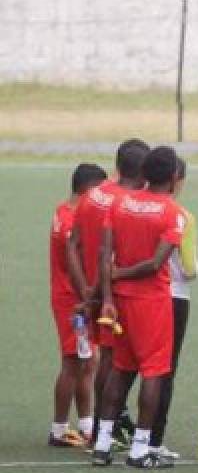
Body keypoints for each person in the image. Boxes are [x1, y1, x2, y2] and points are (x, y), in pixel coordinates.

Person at [91, 146, 184, 469]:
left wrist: (107, 295)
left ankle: (102, 443)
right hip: (151, 302)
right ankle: (140, 448)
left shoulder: (120, 202)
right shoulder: (173, 213)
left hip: (119, 300)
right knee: (154, 372)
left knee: (120, 368)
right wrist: (122, 274)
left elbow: (105, 253)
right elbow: (155, 263)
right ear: (174, 176)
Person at [69, 138, 149, 448]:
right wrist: (102, 295)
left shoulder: (93, 195)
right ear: (144, 171)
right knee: (117, 363)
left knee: (107, 358)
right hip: (118, 296)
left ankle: (107, 425)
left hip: (94, 292)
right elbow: (112, 255)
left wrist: (84, 290)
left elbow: (72, 245)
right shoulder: (128, 203)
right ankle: (107, 428)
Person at [48, 163, 108, 448]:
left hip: (72, 297)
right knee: (73, 362)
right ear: (89, 190)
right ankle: (59, 429)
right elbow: (77, 264)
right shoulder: (72, 221)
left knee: (89, 360)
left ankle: (86, 423)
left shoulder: (64, 211)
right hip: (73, 301)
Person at [148, 156, 197, 460]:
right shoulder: (182, 215)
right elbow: (190, 268)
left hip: (130, 292)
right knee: (164, 370)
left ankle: (106, 431)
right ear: (176, 178)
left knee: (122, 366)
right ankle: (152, 439)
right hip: (172, 294)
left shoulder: (127, 205)